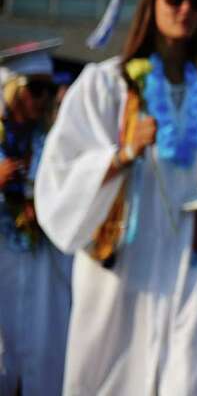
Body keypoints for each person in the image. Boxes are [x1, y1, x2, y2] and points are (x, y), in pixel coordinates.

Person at [34, 0, 197, 396]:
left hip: (191, 254)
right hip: (126, 256)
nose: (186, 11)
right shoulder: (106, 85)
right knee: (111, 370)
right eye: (175, 0)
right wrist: (121, 154)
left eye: (196, 2)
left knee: (189, 373)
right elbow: (61, 169)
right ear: (151, 6)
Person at [0, 40, 72, 396]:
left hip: (41, 270)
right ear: (11, 89)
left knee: (39, 362)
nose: (42, 99)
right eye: (35, 88)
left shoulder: (51, 144)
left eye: (48, 89)